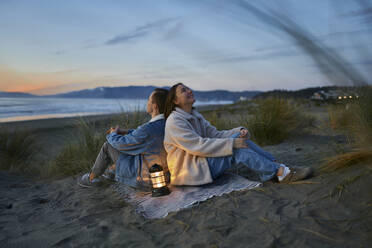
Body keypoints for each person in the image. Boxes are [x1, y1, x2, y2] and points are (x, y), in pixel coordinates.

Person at [163, 83, 312, 186]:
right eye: (183, 91)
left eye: (188, 88)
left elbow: (215, 134)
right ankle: (280, 172)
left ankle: (278, 167)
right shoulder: (175, 122)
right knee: (237, 149)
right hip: (190, 171)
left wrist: (237, 132)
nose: (189, 91)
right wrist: (233, 143)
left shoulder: (195, 115)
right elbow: (198, 146)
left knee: (240, 140)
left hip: (203, 162)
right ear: (175, 100)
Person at [78, 88, 169, 188]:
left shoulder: (148, 129)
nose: (147, 103)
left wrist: (113, 134)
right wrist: (126, 131)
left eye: (148, 100)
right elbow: (142, 136)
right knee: (130, 151)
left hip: (144, 179)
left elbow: (121, 144)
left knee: (108, 146)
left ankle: (91, 178)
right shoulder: (167, 124)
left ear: (154, 106)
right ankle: (111, 172)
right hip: (162, 175)